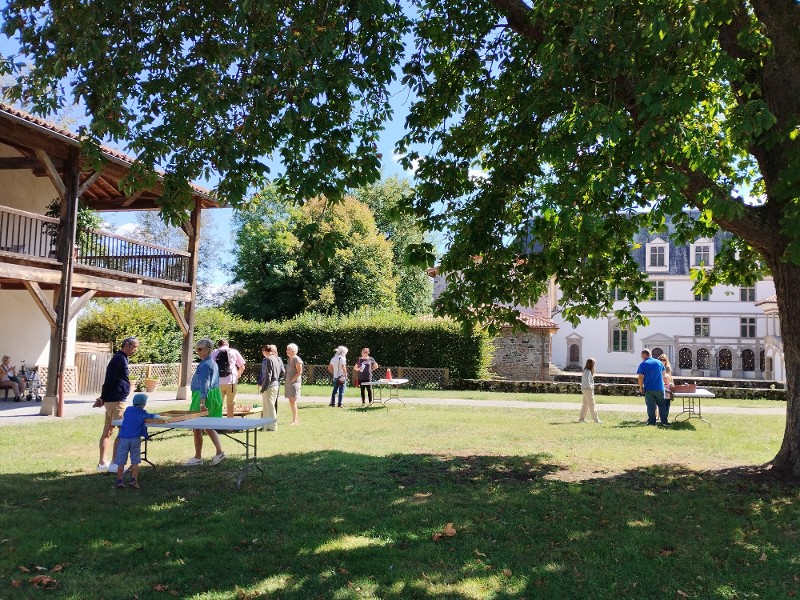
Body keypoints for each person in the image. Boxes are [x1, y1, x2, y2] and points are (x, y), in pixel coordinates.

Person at [94, 337, 139, 472]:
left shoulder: (121, 358)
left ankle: (102, 464)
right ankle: (114, 464)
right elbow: (109, 380)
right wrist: (103, 397)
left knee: (108, 431)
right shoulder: (119, 359)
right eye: (134, 347)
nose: (135, 350)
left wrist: (103, 398)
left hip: (112, 400)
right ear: (127, 345)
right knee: (122, 432)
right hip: (117, 402)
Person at [184, 338, 226, 466]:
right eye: (197, 349)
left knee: (197, 426)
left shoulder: (206, 364)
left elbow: (205, 384)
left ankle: (198, 458)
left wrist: (202, 402)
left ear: (208, 349)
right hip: (212, 395)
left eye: (200, 349)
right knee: (207, 426)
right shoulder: (211, 362)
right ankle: (219, 453)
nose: (198, 351)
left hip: (204, 396)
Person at [114, 393, 160, 489]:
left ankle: (119, 481)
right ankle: (134, 480)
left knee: (121, 461)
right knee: (135, 461)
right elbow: (150, 418)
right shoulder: (142, 413)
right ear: (143, 403)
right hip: (135, 439)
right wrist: (157, 416)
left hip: (123, 438)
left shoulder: (128, 410)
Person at [211, 339, 246, 418]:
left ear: (218, 345)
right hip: (231, 381)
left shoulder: (215, 352)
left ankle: (217, 424)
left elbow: (211, 366)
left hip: (218, 382)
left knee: (218, 404)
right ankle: (230, 427)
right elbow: (242, 367)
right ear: (228, 345)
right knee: (230, 404)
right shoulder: (234, 351)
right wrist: (238, 375)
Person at [637, 348, 668, 426]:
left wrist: (641, 387)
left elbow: (640, 377)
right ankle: (664, 421)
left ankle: (651, 422)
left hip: (649, 388)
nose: (642, 357)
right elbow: (664, 375)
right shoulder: (659, 363)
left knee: (650, 406)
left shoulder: (643, 364)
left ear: (645, 355)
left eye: (642, 356)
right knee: (662, 405)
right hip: (659, 388)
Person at [258, 344, 284, 431]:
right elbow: (283, 372)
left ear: (265, 351)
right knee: (268, 406)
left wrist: (264, 388)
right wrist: (277, 379)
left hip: (269, 386)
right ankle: (265, 426)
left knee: (269, 406)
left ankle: (272, 426)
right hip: (276, 385)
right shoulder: (278, 358)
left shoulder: (269, 359)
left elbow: (268, 376)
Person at [578, 357, 602, 423]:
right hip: (588, 389)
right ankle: (596, 419)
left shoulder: (585, 371)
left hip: (585, 389)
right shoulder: (588, 372)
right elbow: (587, 382)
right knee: (592, 404)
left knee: (585, 404)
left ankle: (582, 418)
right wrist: (591, 387)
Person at [285, 343, 303, 425]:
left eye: (289, 349)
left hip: (294, 383)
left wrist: (292, 380)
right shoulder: (289, 359)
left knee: (293, 400)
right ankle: (295, 418)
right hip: (289, 382)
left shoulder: (297, 359)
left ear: (294, 351)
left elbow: (300, 372)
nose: (287, 351)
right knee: (290, 400)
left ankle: (295, 420)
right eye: (287, 349)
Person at [659, 354, 674, 419]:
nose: (662, 361)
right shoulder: (657, 366)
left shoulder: (667, 368)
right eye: (660, 359)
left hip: (666, 385)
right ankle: (658, 416)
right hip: (659, 384)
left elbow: (670, 377)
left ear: (666, 361)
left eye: (664, 360)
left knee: (666, 403)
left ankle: (664, 416)